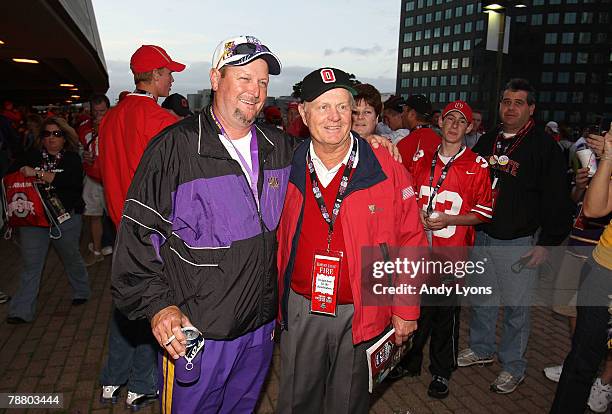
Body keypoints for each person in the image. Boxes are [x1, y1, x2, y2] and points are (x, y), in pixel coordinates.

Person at [110, 37, 397, 414]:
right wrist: (159, 306)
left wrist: (367, 144)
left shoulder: (279, 147)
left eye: (262, 82)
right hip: (200, 333)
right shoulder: (174, 148)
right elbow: (137, 237)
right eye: (244, 78)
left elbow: (329, 149)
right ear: (216, 79)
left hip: (259, 330)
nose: (255, 91)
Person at [276, 67, 426, 413]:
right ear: (303, 112)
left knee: (348, 404)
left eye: (343, 107)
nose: (334, 117)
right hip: (303, 306)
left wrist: (405, 308)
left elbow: (411, 239)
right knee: (297, 402)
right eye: (323, 106)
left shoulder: (384, 165)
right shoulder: (284, 165)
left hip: (365, 310)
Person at [458, 78, 573, 393]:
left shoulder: (543, 146)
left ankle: (514, 366)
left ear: (531, 108)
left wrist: (547, 244)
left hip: (518, 241)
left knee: (516, 309)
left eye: (518, 102)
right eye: (506, 101)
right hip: (482, 234)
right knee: (482, 299)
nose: (510, 108)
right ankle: (482, 348)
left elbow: (557, 200)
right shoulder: (489, 139)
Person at [97, 44, 185, 410]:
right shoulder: (160, 120)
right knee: (156, 307)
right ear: (155, 75)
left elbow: (97, 171)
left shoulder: (110, 117)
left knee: (125, 306)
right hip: (155, 231)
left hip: (121, 227)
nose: (173, 77)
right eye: (168, 72)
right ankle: (142, 384)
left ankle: (112, 380)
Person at [389, 100, 492, 399]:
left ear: (469, 127)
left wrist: (449, 219)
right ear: (440, 122)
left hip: (451, 252)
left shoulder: (477, 165)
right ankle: (410, 361)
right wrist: (416, 212)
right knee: (415, 306)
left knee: (445, 315)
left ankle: (442, 371)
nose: (455, 125)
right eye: (450, 119)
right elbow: (407, 197)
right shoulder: (422, 159)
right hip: (420, 250)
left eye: (462, 120)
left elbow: (483, 213)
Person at [550, 124, 612, 413]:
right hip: (595, 258)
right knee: (581, 341)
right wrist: (604, 164)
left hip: (595, 252)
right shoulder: (581, 154)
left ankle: (604, 382)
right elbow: (588, 207)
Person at [6, 117, 89, 324]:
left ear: (65, 138)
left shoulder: (71, 159)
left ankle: (81, 290)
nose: (51, 138)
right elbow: (9, 177)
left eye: (57, 134)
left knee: (71, 257)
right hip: (34, 220)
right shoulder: (30, 156)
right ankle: (21, 310)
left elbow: (70, 182)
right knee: (31, 265)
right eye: (47, 134)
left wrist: (37, 174)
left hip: (65, 218)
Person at [78, 94, 111, 266]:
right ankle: (97, 251)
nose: (99, 115)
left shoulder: (115, 125)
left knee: (117, 216)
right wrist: (83, 154)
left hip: (111, 177)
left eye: (102, 111)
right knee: (94, 215)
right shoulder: (84, 127)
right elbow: (79, 148)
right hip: (92, 178)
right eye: (95, 111)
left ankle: (121, 253)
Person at [397, 94, 441, 175]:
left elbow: (398, 178)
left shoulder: (404, 144)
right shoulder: (441, 141)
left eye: (404, 111)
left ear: (412, 114)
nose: (402, 115)